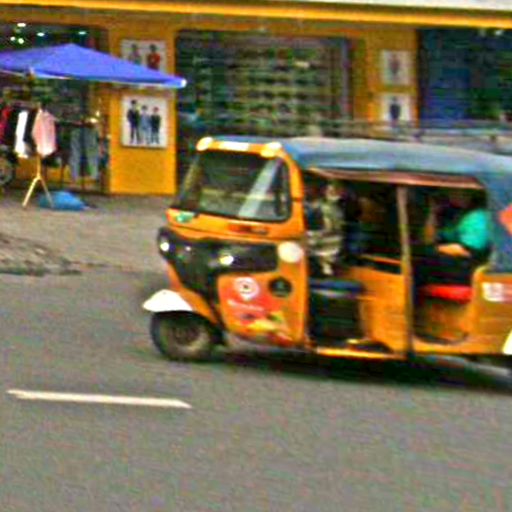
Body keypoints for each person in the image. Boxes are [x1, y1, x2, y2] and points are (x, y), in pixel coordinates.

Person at [414, 189, 491, 285]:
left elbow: (467, 250)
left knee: (421, 263)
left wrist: (434, 249)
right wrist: (432, 211)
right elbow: (429, 239)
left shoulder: (479, 216)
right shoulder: (455, 214)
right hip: (458, 264)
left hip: (472, 268)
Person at [304, 175, 344, 277]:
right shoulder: (313, 208)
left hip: (318, 263)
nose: (303, 189)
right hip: (314, 259)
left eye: (306, 186)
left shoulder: (322, 211)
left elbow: (309, 243)